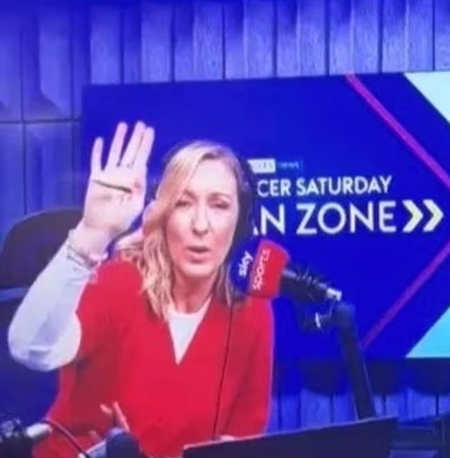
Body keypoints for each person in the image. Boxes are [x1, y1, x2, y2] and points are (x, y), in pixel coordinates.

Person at [7, 122, 274, 458]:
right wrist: (91, 234)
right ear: (162, 215)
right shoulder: (119, 284)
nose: (200, 225)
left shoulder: (250, 313)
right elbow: (29, 348)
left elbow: (243, 445)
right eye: (183, 203)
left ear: (240, 221)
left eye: (219, 205)